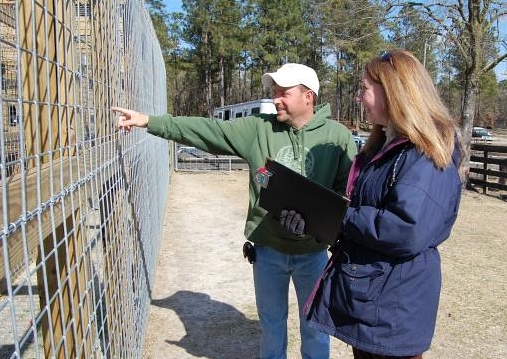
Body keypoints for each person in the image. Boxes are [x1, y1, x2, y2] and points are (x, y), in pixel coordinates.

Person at [112, 63, 357, 359]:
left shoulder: (337, 137)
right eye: (274, 92)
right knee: (272, 326)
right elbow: (207, 130)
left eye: (284, 93)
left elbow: (349, 196)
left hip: (313, 255)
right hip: (268, 252)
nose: (276, 98)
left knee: (316, 329)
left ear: (308, 97)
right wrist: (149, 121)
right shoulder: (258, 128)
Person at [305, 50, 463, 359]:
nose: (357, 97)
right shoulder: (385, 147)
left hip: (394, 308)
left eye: (364, 88)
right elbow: (364, 215)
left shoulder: (425, 153)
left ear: (393, 91)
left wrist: (338, 215)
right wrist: (317, 221)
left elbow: (407, 230)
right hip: (372, 299)